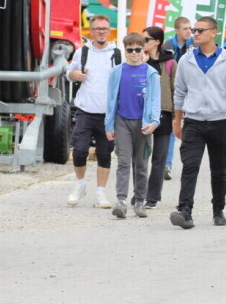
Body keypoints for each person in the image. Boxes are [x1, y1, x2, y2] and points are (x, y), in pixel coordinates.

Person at [169, 16, 226, 229]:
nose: (196, 33)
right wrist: (177, 120)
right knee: (190, 166)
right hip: (194, 122)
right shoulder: (187, 60)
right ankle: (185, 211)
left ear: (213, 32)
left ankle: (218, 210)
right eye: (194, 30)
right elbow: (180, 92)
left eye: (200, 30)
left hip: (219, 122)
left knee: (219, 168)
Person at [66, 15, 121, 208]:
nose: (101, 32)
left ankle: (101, 192)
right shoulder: (82, 52)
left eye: (105, 28)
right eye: (97, 28)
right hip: (85, 110)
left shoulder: (117, 53)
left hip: (108, 113)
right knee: (79, 150)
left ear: (109, 30)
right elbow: (69, 72)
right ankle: (80, 184)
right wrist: (74, 75)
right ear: (91, 31)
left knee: (105, 153)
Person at [105, 32, 161, 219]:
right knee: (123, 161)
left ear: (143, 49)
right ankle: (121, 201)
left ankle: (139, 202)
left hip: (143, 123)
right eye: (130, 50)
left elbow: (154, 100)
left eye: (138, 49)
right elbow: (111, 100)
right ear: (125, 50)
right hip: (122, 121)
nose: (134, 53)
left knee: (141, 164)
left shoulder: (151, 72)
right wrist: (109, 125)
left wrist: (154, 122)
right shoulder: (117, 72)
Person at [142, 26, 175, 208]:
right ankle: (140, 193)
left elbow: (176, 89)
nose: (142, 43)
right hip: (142, 114)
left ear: (157, 42)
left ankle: (152, 197)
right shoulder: (138, 60)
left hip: (164, 113)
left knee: (159, 158)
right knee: (140, 157)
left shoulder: (169, 62)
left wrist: (178, 116)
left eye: (146, 40)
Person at [161, 16, 193, 180]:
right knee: (173, 126)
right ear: (177, 30)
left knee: (191, 128)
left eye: (190, 28)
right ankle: (166, 164)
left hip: (192, 91)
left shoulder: (195, 44)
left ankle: (190, 163)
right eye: (186, 28)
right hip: (174, 90)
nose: (189, 31)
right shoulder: (167, 46)